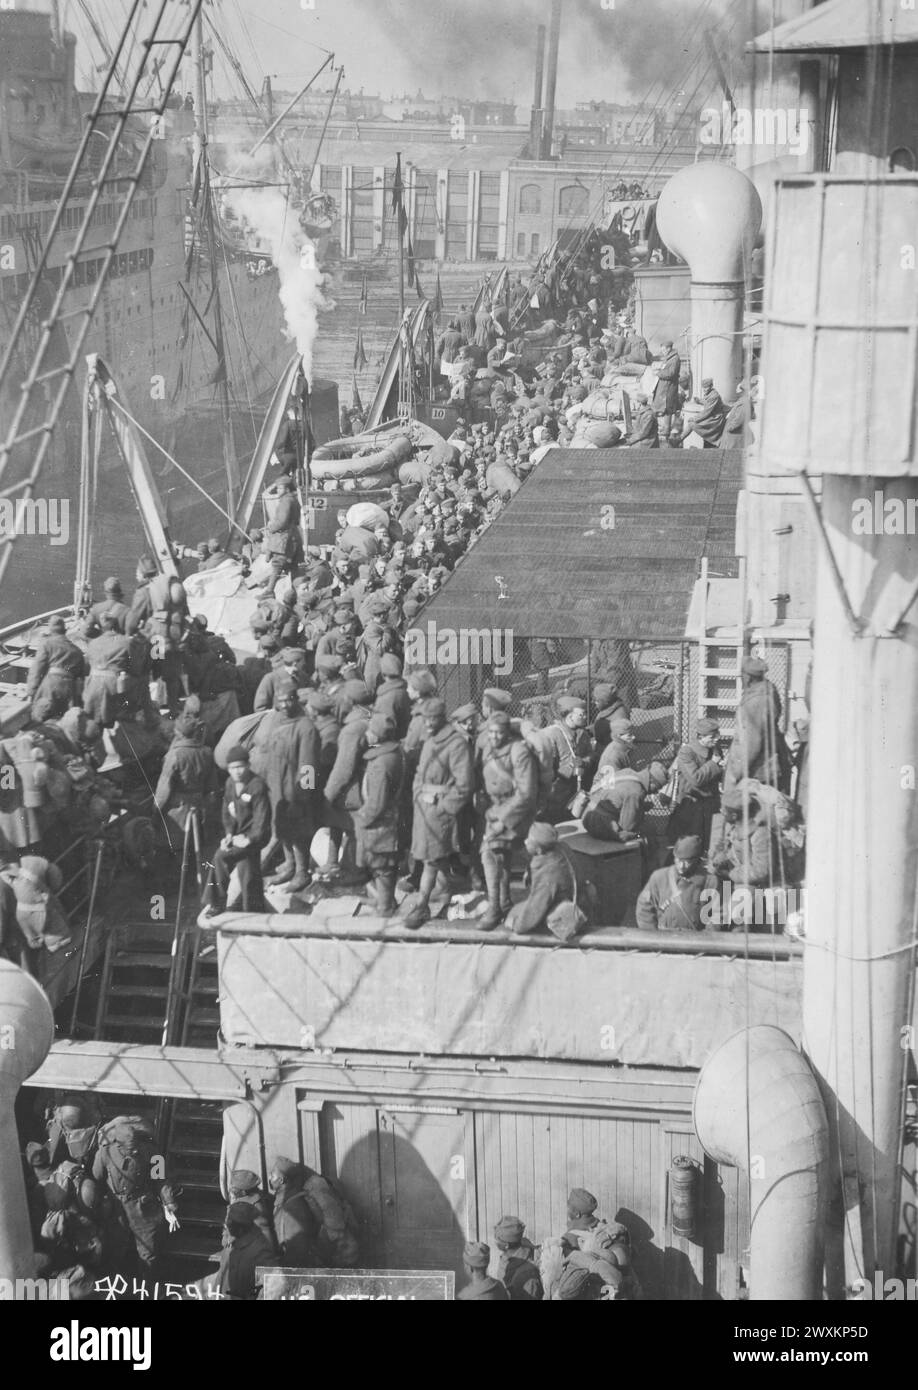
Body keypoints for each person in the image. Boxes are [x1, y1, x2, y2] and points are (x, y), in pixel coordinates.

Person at [400, 697, 473, 930]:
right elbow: (420, 774)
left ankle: (422, 906)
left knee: (431, 859)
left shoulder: (456, 744)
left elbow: (464, 785)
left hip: (439, 810)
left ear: (442, 718)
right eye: (425, 719)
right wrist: (418, 795)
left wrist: (444, 809)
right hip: (423, 808)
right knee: (431, 856)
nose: (428, 723)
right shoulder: (430, 740)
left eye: (432, 719)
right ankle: (449, 891)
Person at [91, 1114, 180, 1272]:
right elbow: (97, 1175)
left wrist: (169, 1202)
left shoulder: (151, 1152)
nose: (135, 1150)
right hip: (116, 1207)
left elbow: (161, 1179)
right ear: (118, 1145)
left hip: (141, 1206)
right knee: (115, 1248)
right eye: (130, 1148)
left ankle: (145, 1291)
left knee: (148, 1251)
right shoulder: (105, 1153)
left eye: (136, 1146)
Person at [478, 711, 539, 929]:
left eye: (498, 733)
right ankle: (503, 902)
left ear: (507, 733)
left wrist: (502, 821)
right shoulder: (488, 748)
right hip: (496, 809)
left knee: (489, 853)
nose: (494, 737)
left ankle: (494, 908)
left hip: (519, 812)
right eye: (491, 732)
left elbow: (526, 793)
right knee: (499, 855)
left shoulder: (519, 751)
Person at [261, 682, 320, 892]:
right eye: (281, 701)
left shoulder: (306, 727)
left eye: (288, 700)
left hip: (294, 791)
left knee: (298, 832)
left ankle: (302, 871)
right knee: (281, 827)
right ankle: (289, 865)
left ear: (296, 700)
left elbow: (308, 766)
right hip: (276, 786)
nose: (285, 705)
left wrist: (303, 797)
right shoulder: (277, 720)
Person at [201, 746, 271, 917]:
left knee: (220, 857)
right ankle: (254, 912)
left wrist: (250, 839)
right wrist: (229, 834)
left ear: (248, 765)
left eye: (240, 766)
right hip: (238, 834)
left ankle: (216, 903)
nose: (237, 772)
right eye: (232, 768)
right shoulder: (230, 784)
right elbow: (227, 810)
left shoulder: (257, 786)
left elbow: (262, 818)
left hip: (256, 836)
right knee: (248, 870)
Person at [354, 711, 405, 917]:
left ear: (377, 736)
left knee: (382, 866)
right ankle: (386, 900)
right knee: (383, 864)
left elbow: (376, 803)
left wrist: (361, 818)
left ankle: (384, 908)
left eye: (370, 730)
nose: (367, 734)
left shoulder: (381, 764)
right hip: (391, 821)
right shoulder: (394, 754)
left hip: (381, 825)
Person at [723, 655, 792, 793]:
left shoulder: (756, 701)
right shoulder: (766, 691)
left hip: (760, 772)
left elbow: (751, 744)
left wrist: (733, 775)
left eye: (741, 676)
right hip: (768, 767)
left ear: (748, 677)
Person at [505, 822, 577, 936]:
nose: (525, 841)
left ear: (539, 850)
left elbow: (537, 905)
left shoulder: (548, 872)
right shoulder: (561, 848)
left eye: (528, 840)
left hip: (563, 912)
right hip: (573, 899)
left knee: (512, 914)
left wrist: (517, 925)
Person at [635, 834, 717, 931]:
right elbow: (644, 908)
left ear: (697, 860)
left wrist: (705, 940)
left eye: (687, 862)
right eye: (679, 860)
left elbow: (718, 914)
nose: (682, 866)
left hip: (694, 939)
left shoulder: (709, 880)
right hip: (664, 937)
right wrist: (653, 937)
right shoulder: (659, 877)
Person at [667, 717, 723, 849]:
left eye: (717, 736)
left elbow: (716, 775)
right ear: (700, 737)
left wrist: (722, 767)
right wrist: (714, 763)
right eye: (712, 737)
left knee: (710, 843)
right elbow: (695, 779)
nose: (716, 740)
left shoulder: (715, 749)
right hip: (691, 805)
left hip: (710, 803)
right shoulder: (687, 752)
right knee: (690, 845)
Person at [538, 696, 592, 823]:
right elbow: (544, 769)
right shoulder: (551, 735)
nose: (585, 717)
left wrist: (584, 762)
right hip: (553, 797)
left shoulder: (582, 734)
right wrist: (570, 769)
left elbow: (591, 754)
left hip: (573, 795)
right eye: (581, 714)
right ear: (569, 715)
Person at [300, 1165, 360, 1267]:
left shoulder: (313, 1190)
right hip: (340, 1232)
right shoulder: (328, 1186)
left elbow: (324, 1213)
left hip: (334, 1233)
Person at [27, 617, 85, 721]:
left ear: (50, 631)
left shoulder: (47, 644)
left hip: (51, 685)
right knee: (63, 719)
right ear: (65, 631)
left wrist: (32, 691)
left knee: (41, 715)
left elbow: (37, 668)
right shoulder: (77, 651)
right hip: (69, 688)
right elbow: (80, 677)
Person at [212, 1202, 274, 1300]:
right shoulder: (231, 1247)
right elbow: (221, 1279)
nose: (225, 1231)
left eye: (229, 1224)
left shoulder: (260, 1252)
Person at [268, 1157, 320, 1267]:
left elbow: (297, 1249)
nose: (269, 1178)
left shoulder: (294, 1207)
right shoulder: (284, 1198)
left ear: (281, 1180)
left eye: (272, 1175)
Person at [222, 1169, 276, 1253]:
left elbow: (265, 1233)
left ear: (243, 1192)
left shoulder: (251, 1207)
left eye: (234, 1188)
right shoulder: (254, 1199)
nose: (231, 1190)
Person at [683, 378, 726, 447]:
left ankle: (679, 439)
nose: (704, 389)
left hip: (715, 419)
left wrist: (694, 418)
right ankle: (679, 439)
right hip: (712, 417)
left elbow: (706, 412)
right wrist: (699, 401)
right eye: (703, 387)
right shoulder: (711, 393)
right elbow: (707, 403)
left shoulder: (714, 396)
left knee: (692, 424)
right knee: (693, 424)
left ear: (711, 386)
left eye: (706, 387)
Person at [651, 340, 681, 440]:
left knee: (668, 407)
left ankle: (666, 430)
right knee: (664, 407)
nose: (662, 352)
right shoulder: (670, 358)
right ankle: (665, 428)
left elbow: (671, 373)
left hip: (669, 386)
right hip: (666, 385)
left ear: (669, 348)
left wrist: (658, 373)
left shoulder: (674, 359)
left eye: (663, 350)